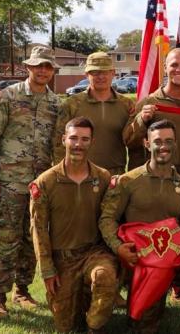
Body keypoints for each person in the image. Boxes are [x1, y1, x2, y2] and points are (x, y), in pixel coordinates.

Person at [99, 119, 180, 334]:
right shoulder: (128, 182)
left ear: (175, 144)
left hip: (175, 257)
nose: (164, 146)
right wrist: (118, 247)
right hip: (140, 262)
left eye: (169, 141)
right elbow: (107, 219)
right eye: (158, 141)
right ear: (146, 144)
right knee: (143, 326)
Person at [0, 46, 61, 319]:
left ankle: (22, 290)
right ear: (28, 67)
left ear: (52, 70)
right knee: (6, 238)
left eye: (47, 67)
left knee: (32, 238)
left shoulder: (55, 104)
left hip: (40, 185)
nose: (42, 71)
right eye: (37, 66)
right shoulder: (8, 97)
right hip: (9, 183)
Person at [30, 117, 118, 333]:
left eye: (84, 139)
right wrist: (48, 270)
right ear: (63, 140)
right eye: (74, 138)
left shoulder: (103, 177)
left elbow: (111, 219)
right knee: (67, 327)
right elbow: (39, 230)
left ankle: (94, 327)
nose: (79, 144)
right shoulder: (45, 182)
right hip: (63, 260)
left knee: (104, 276)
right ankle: (81, 306)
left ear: (91, 142)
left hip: (94, 253)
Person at [125, 48, 180, 195]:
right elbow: (127, 139)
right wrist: (142, 120)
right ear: (165, 68)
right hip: (155, 176)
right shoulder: (148, 102)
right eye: (174, 65)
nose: (179, 69)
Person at [53, 51, 135, 175]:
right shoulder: (71, 104)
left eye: (105, 72)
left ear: (113, 73)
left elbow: (133, 141)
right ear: (87, 74)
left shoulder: (126, 104)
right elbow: (59, 142)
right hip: (80, 173)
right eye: (95, 72)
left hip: (115, 174)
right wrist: (62, 173)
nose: (100, 77)